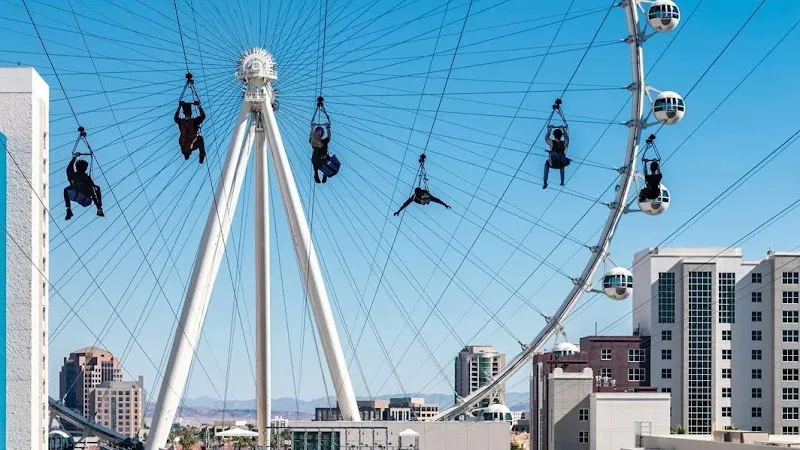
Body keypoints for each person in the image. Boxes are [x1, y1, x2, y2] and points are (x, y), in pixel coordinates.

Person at [64, 155, 103, 220]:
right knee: (96, 188)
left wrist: (74, 158)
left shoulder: (73, 175)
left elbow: (69, 168)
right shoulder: (87, 178)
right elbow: (93, 192)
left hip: (74, 196)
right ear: (85, 169)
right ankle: (99, 208)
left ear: (76, 168)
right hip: (85, 200)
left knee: (66, 190)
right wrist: (98, 206)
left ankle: (68, 209)